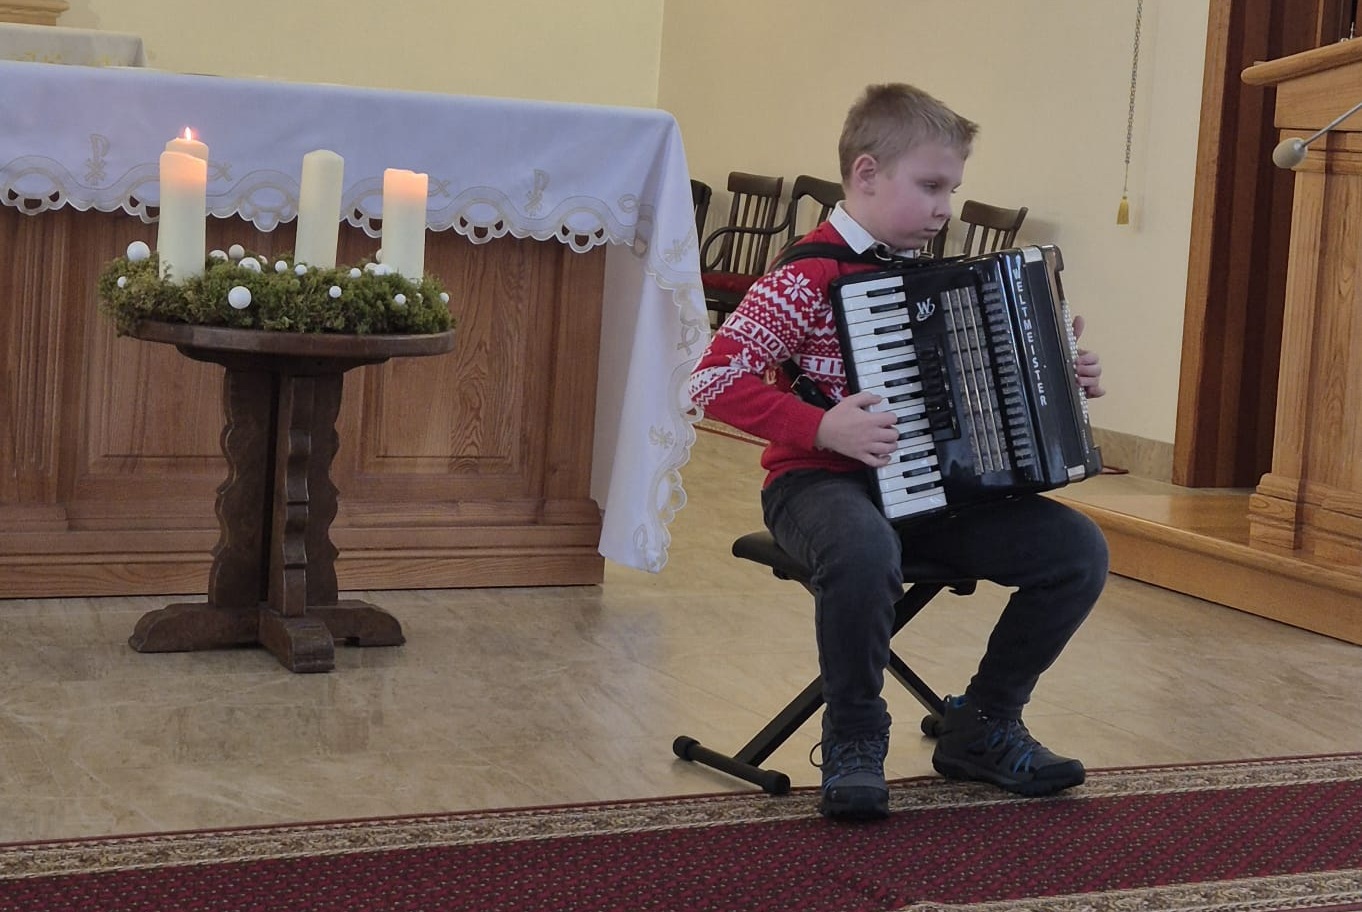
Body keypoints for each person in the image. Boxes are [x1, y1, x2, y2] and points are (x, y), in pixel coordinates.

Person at [687, 83, 1109, 822]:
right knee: (861, 547)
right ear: (866, 174)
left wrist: (1062, 381)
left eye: (953, 188)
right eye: (931, 186)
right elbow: (711, 379)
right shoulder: (807, 275)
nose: (945, 207)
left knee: (1076, 549)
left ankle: (984, 722)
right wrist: (821, 428)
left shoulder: (934, 278)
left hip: (934, 494)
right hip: (817, 487)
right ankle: (853, 734)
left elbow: (994, 392)